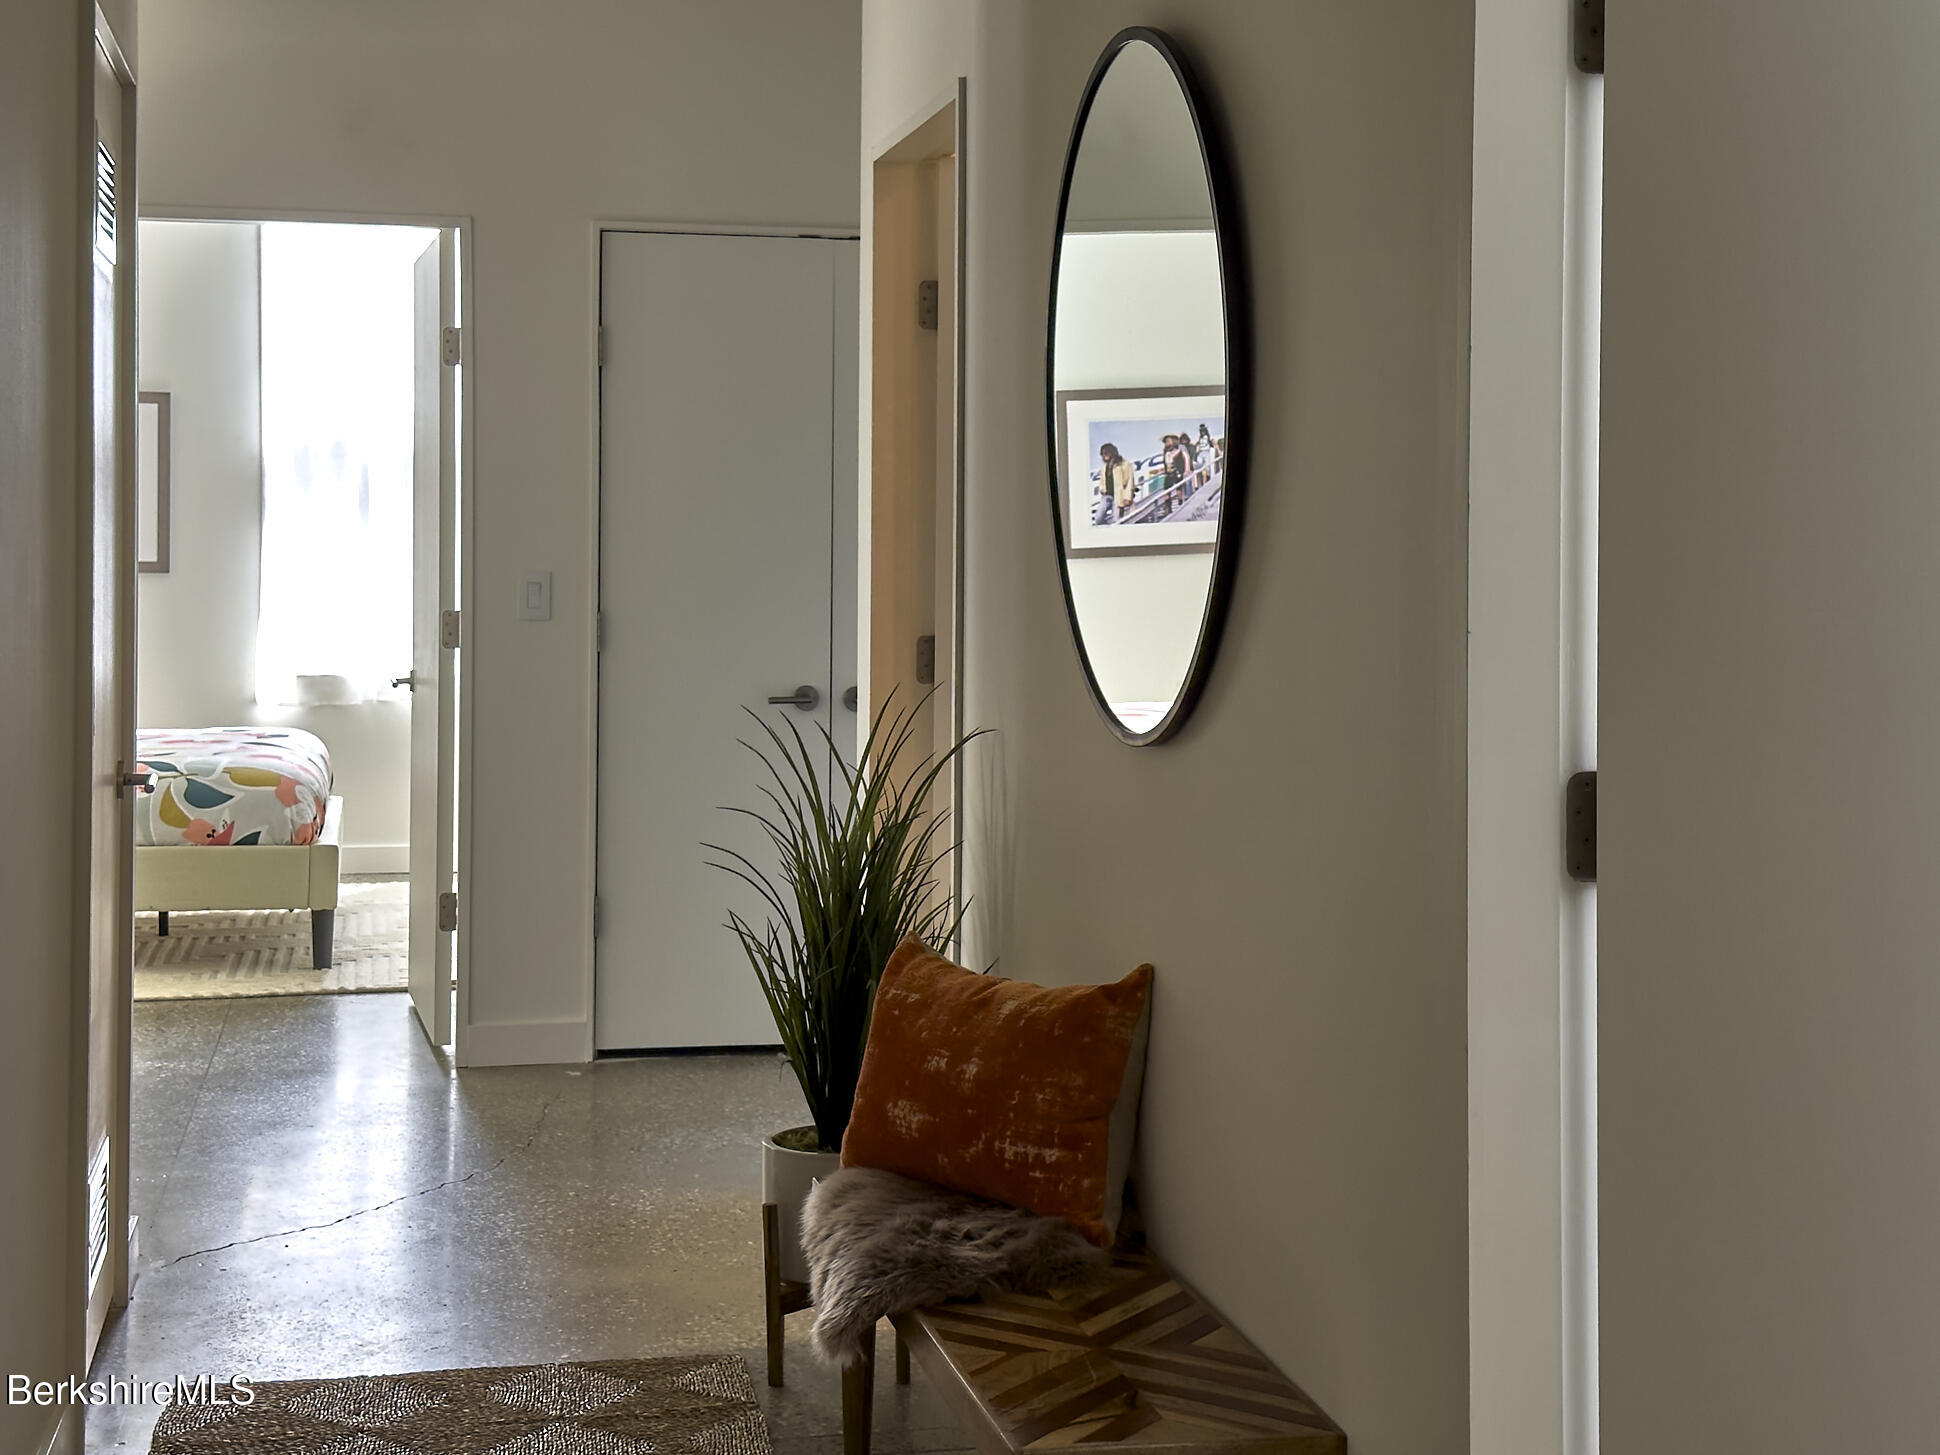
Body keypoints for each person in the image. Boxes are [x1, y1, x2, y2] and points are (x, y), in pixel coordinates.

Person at [1099, 442, 1137, 521]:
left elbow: (1130, 482)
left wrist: (1127, 497)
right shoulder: (1104, 468)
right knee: (1098, 518)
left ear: (1112, 452)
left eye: (1106, 453)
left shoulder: (1125, 464)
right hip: (1107, 496)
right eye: (1102, 454)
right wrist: (1102, 489)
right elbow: (1102, 481)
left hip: (1119, 496)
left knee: (1116, 520)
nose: (1104, 455)